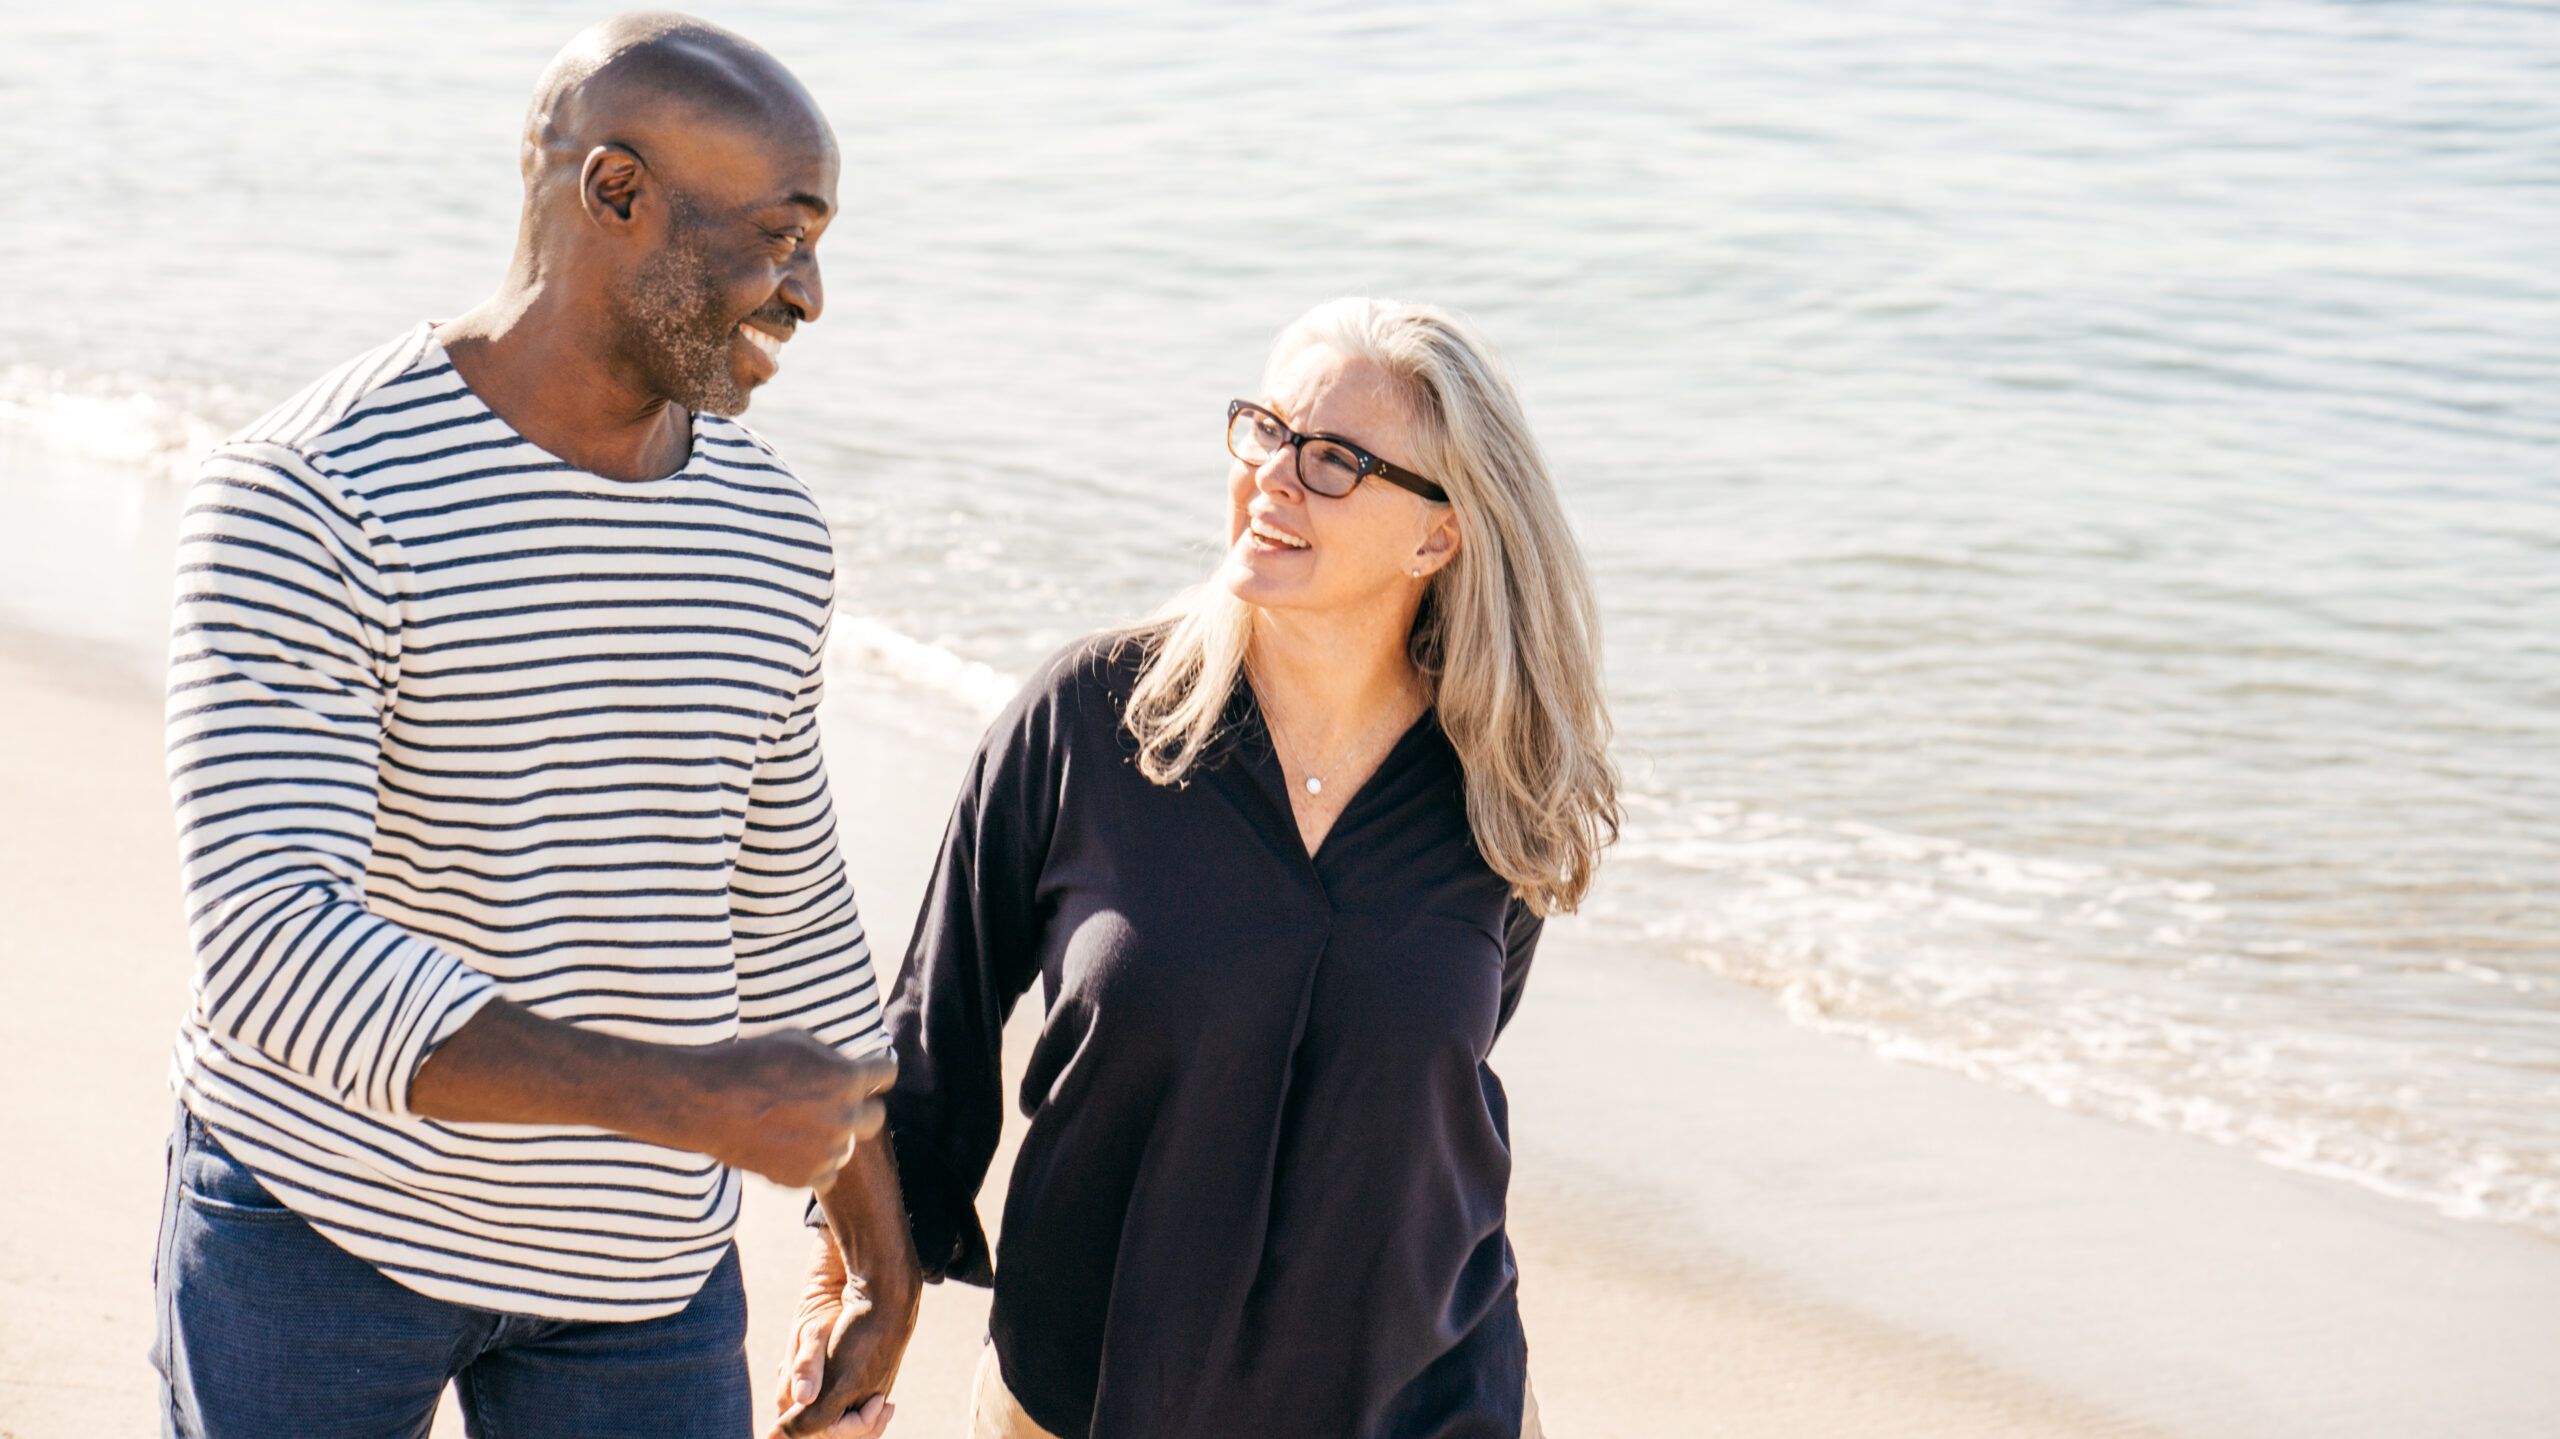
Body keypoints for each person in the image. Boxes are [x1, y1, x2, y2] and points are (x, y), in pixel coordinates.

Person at [152, 14, 916, 1437]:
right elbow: (269, 941)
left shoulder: (773, 531)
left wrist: (877, 1246)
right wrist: (688, 1100)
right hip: (316, 1229)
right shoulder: (310, 492)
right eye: (780, 234)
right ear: (615, 194)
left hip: (637, 1276)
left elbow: (784, 891)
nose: (807, 293)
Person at [780, 298, 1621, 1437]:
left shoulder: (1495, 784)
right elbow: (932, 1041)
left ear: (1439, 534)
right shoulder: (1088, 718)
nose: (1274, 474)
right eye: (1265, 431)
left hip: (1427, 1400)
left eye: (1334, 461)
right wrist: (855, 1299)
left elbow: (1428, 1084)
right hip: (1086, 1395)